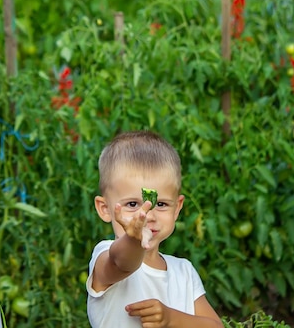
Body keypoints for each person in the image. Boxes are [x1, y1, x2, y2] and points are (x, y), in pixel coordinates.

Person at [86, 131, 223, 328]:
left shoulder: (183, 272)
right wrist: (134, 239)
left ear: (177, 208)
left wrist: (171, 319)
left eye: (160, 204)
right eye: (132, 204)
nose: (147, 215)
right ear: (105, 209)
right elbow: (122, 263)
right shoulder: (105, 255)